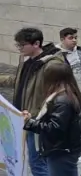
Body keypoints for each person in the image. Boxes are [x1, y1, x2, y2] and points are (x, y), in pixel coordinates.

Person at [0, 27, 59, 176]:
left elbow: (54, 94)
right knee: (31, 160)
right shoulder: (27, 61)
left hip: (35, 120)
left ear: (36, 44)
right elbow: (20, 82)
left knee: (37, 163)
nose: (19, 48)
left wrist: (35, 116)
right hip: (23, 117)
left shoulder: (50, 65)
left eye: (22, 45)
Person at [22, 60, 81, 176]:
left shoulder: (62, 100)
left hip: (60, 150)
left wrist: (29, 123)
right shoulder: (67, 95)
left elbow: (54, 128)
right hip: (63, 149)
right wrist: (32, 119)